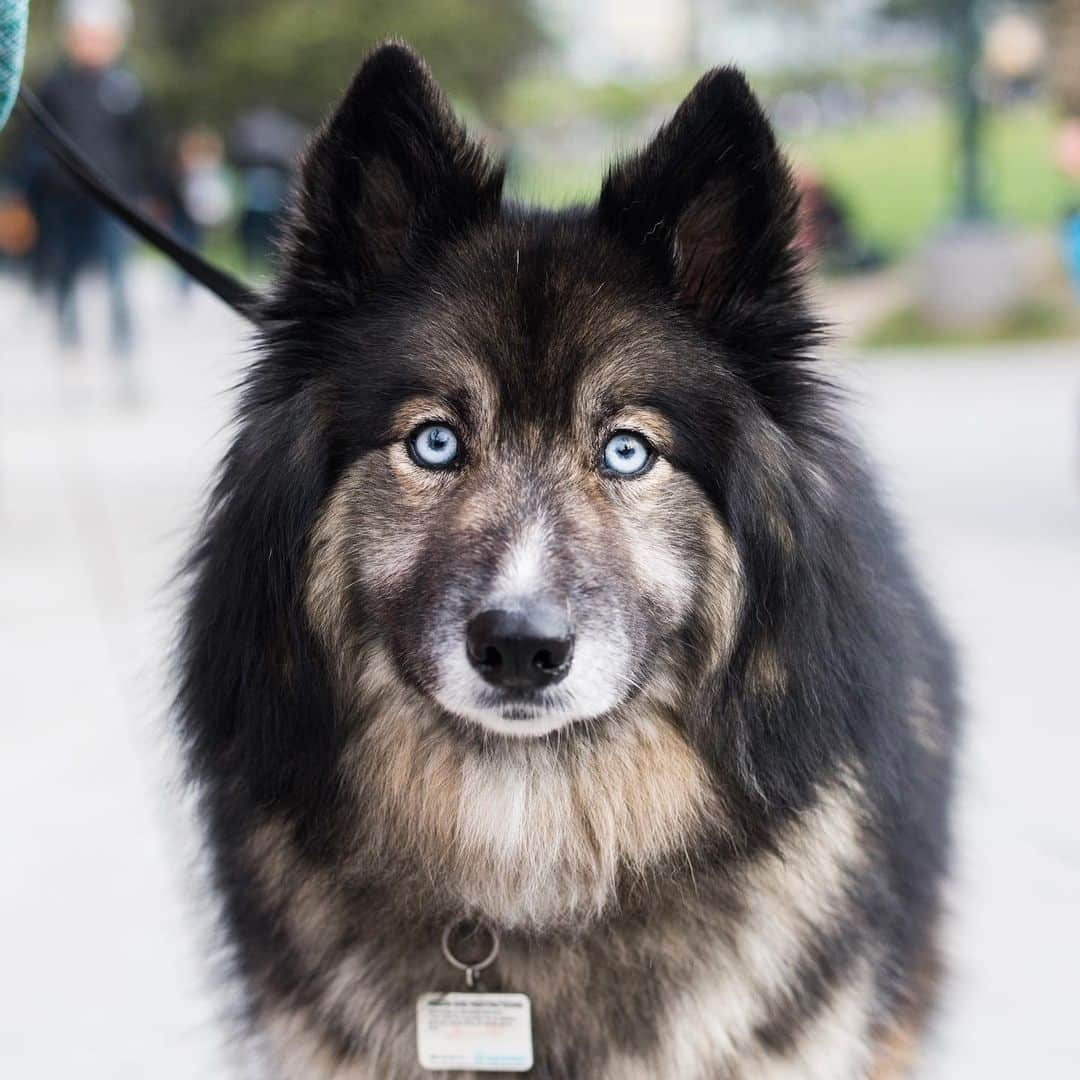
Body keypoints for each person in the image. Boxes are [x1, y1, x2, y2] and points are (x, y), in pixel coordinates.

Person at [19, 0, 155, 358]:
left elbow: (138, 145)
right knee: (65, 268)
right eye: (85, 36)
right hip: (62, 194)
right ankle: (69, 336)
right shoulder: (54, 84)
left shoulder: (127, 86)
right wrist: (23, 189)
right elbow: (34, 140)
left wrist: (144, 192)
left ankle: (123, 346)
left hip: (113, 198)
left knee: (116, 272)